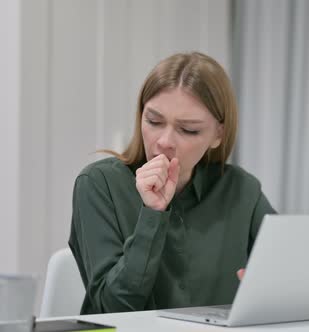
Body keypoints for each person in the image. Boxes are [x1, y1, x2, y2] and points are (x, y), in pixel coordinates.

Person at [68, 52, 276, 314]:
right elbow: (113, 307)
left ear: (218, 135)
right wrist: (152, 214)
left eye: (188, 129)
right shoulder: (99, 185)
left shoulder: (241, 190)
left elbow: (290, 272)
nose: (164, 141)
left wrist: (270, 289)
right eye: (153, 121)